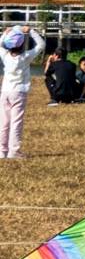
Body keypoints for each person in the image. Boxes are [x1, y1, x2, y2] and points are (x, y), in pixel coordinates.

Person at [1, 25, 46, 159]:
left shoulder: (5, 56)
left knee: (4, 122)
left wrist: (5, 33)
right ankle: (14, 151)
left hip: (5, 91)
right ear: (22, 45)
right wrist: (31, 31)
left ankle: (2, 151)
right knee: (16, 122)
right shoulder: (25, 57)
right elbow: (41, 45)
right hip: (19, 92)